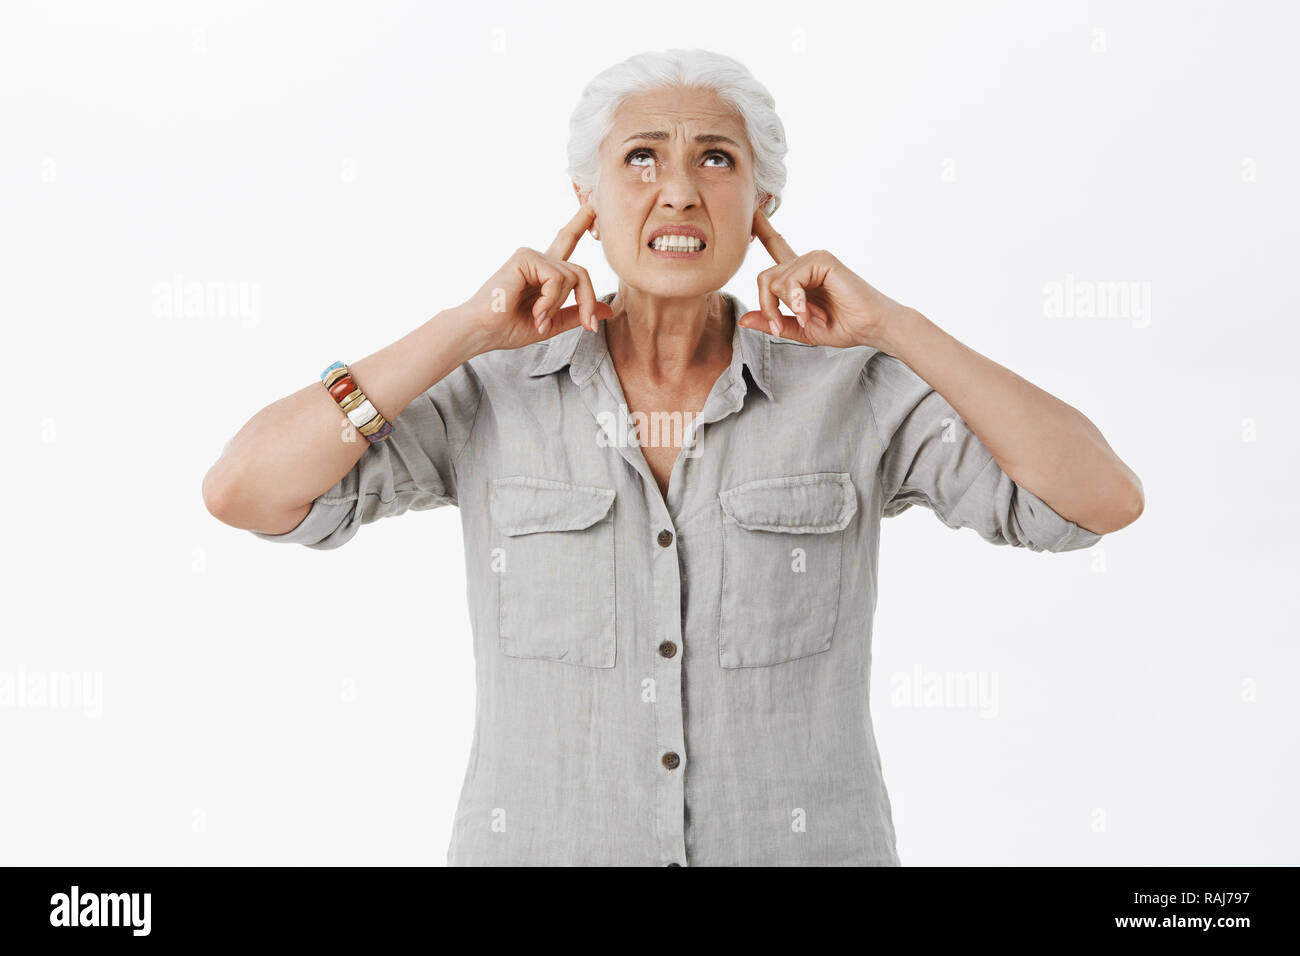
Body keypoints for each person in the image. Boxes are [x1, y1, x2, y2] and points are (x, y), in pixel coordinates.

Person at [202, 49, 1143, 866]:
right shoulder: (491, 390)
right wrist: (462, 328)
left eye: (716, 159)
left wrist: (896, 327)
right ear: (587, 199)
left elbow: (1096, 499)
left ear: (762, 201)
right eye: (641, 157)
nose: (679, 189)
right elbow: (247, 489)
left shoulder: (853, 391)